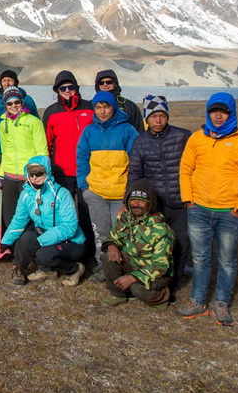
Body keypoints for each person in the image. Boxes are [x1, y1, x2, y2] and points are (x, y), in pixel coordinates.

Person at [177, 93, 238, 326]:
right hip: (199, 209)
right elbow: (185, 170)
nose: (217, 115)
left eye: (223, 111)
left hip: (229, 212)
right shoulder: (196, 139)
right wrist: (188, 200)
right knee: (201, 257)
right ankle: (198, 300)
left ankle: (222, 303)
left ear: (231, 113)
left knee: (226, 260)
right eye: (214, 110)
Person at [126, 95, 192, 290]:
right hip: (156, 203)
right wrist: (127, 201)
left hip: (181, 202)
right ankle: (157, 280)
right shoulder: (140, 141)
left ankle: (174, 283)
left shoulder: (183, 136)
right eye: (154, 116)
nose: (158, 120)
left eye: (162, 115)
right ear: (147, 118)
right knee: (157, 244)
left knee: (181, 243)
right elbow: (135, 173)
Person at [76, 90, 139, 277]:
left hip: (120, 194)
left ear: (113, 107)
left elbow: (135, 162)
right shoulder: (89, 131)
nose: (102, 111)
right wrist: (85, 187)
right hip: (96, 192)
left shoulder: (128, 130)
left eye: (106, 106)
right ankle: (103, 266)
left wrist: (130, 192)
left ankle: (124, 267)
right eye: (98, 107)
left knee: (122, 233)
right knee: (100, 232)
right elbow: (81, 159)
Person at [0, 156, 86, 286]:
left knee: (43, 254)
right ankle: (38, 270)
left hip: (71, 241)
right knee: (25, 239)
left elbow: (69, 226)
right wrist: (6, 241)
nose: (35, 177)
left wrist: (41, 241)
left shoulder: (61, 193)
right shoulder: (26, 195)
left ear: (47, 173)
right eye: (31, 173)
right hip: (46, 234)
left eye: (39, 173)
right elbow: (18, 221)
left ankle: (74, 269)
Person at [42, 70, 96, 258]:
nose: (67, 90)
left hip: (86, 172)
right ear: (57, 90)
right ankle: (62, 250)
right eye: (62, 88)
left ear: (76, 88)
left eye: (70, 87)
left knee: (86, 213)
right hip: (61, 173)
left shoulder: (90, 108)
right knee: (61, 213)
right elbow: (47, 144)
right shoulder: (51, 112)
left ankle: (89, 253)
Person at [101, 178, 175, 309]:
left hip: (155, 272)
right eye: (133, 200)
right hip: (134, 263)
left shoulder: (161, 230)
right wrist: (112, 246)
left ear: (150, 204)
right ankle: (118, 294)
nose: (136, 204)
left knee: (137, 289)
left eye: (142, 201)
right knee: (107, 256)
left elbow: (161, 266)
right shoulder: (126, 218)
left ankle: (161, 297)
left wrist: (133, 278)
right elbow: (112, 236)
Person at [0, 87, 48, 230]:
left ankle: (28, 249)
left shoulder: (34, 122)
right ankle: (12, 249)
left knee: (32, 216)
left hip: (29, 177)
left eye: (16, 102)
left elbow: (42, 152)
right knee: (10, 216)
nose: (13, 106)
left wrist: (42, 175)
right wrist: (1, 175)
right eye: (9, 103)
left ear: (22, 102)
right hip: (10, 176)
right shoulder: (3, 124)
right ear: (5, 105)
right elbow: (5, 152)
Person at [0, 70, 38, 157]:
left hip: (25, 147)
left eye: (10, 80)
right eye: (4, 81)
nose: (7, 83)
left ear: (16, 82)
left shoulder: (27, 100)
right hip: (1, 147)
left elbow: (36, 121)